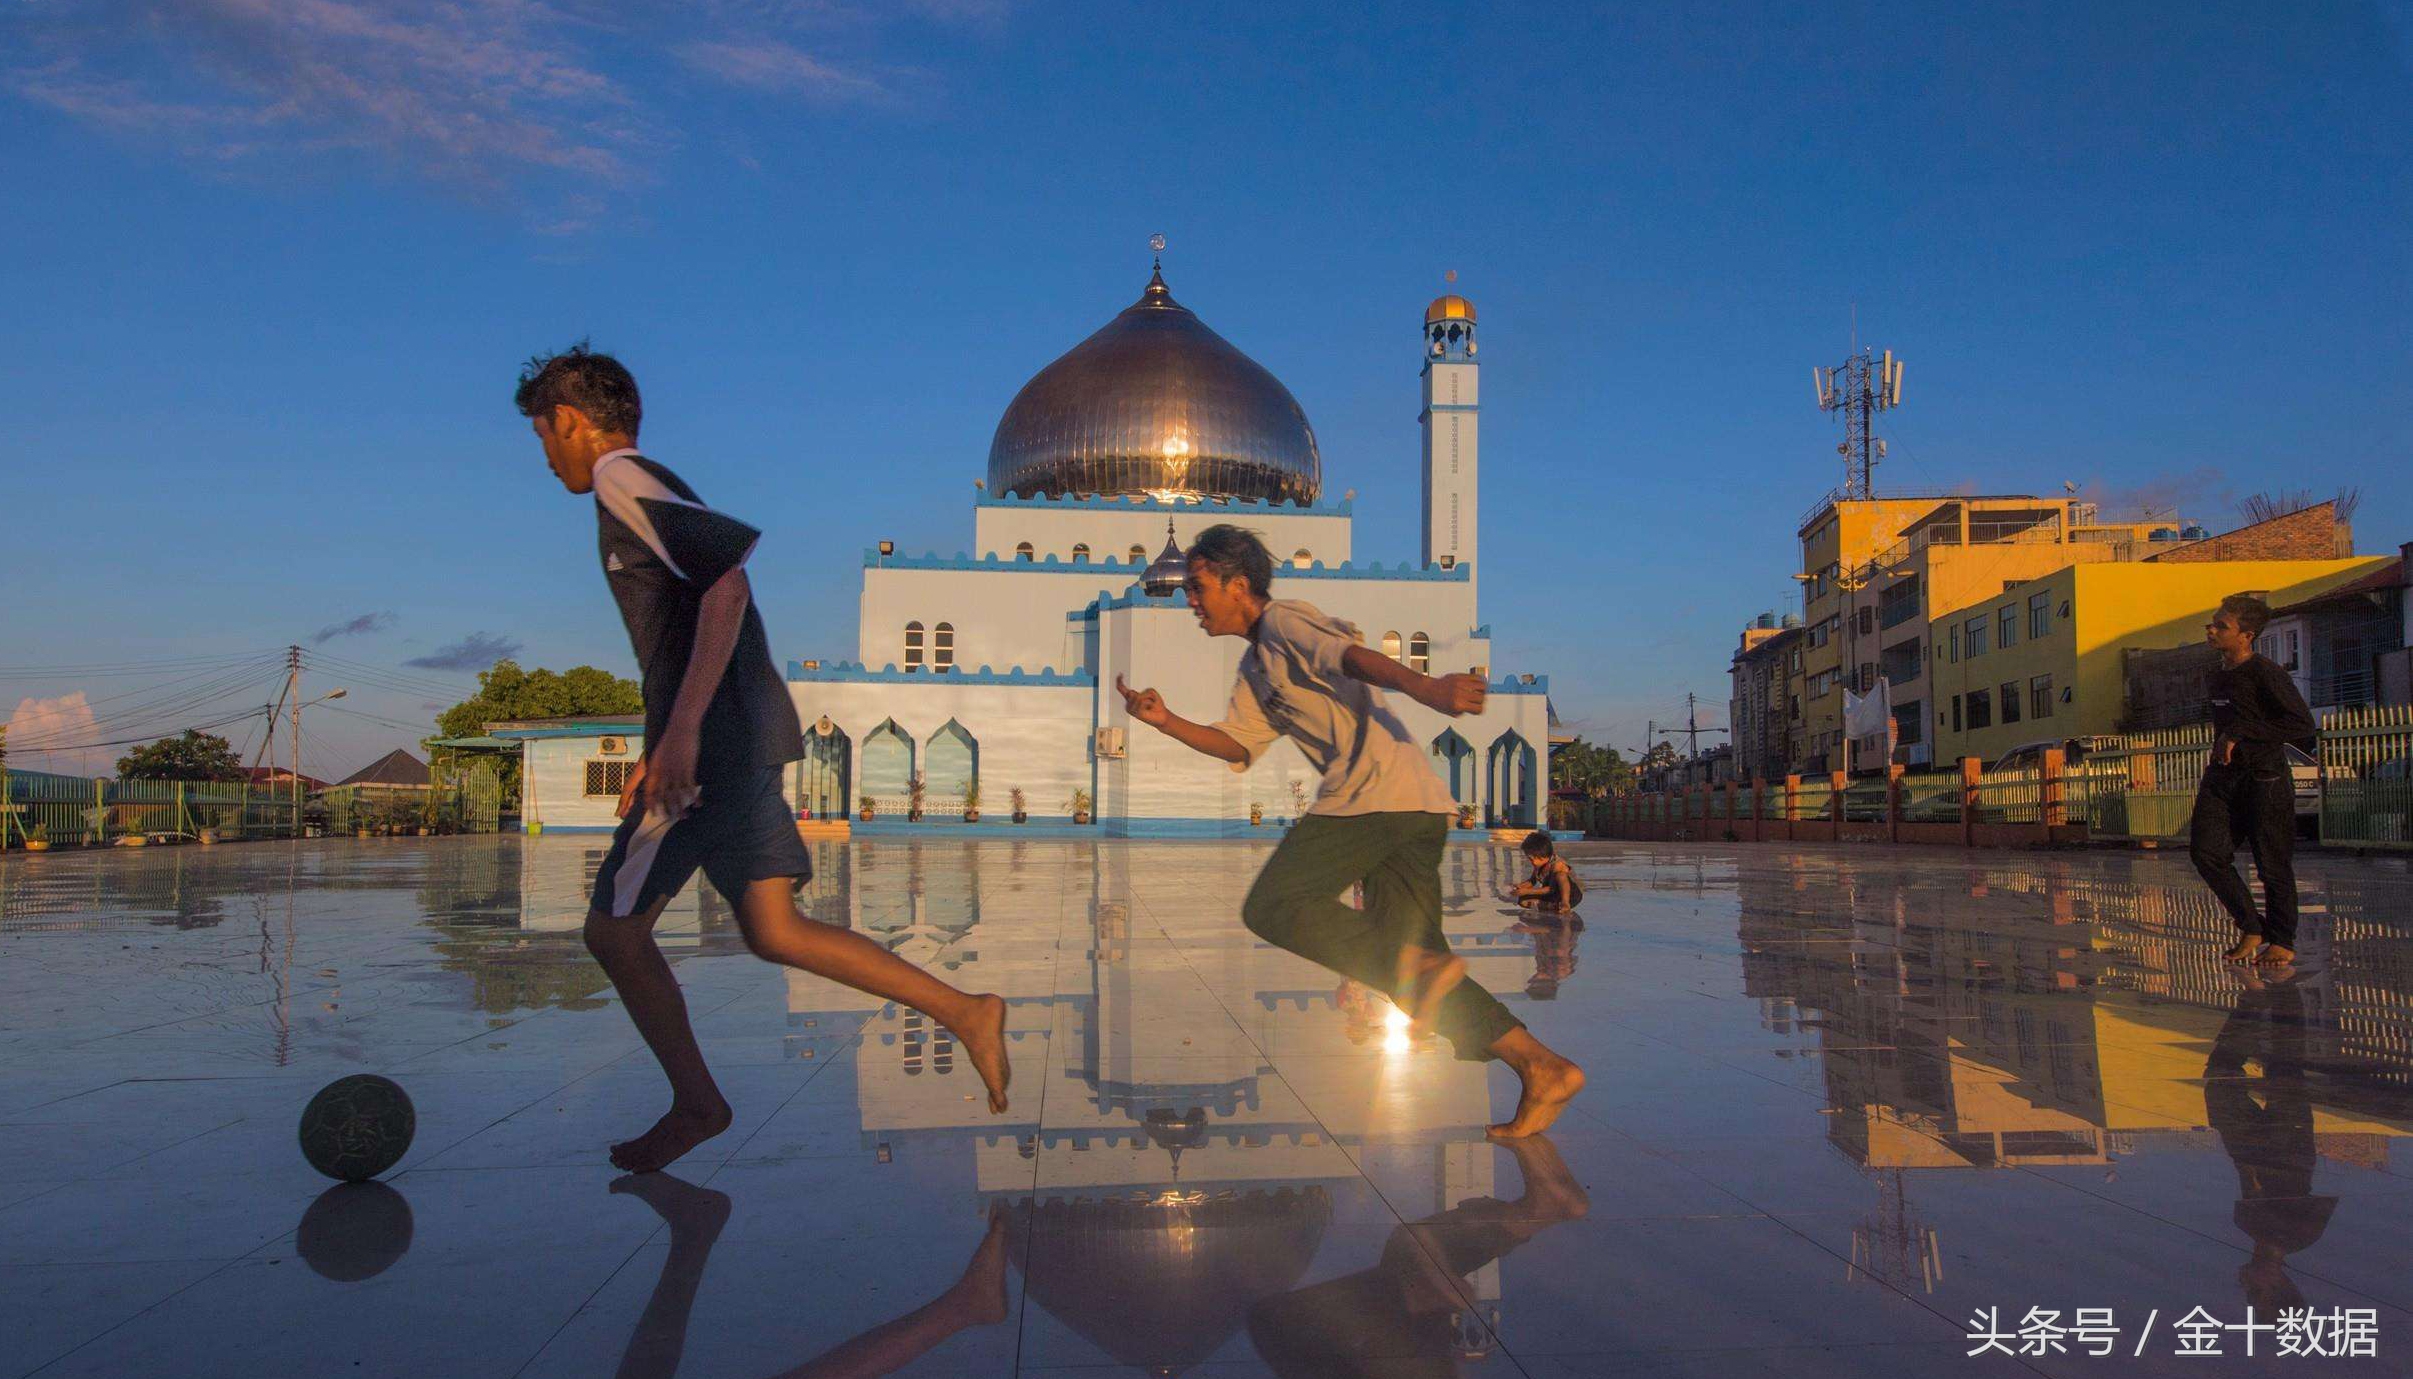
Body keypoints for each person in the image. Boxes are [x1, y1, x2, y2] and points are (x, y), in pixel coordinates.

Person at [517, 345, 1009, 1172]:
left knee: (613, 931)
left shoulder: (621, 479)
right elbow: (707, 608)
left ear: (568, 420)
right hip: (738, 738)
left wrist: (677, 737)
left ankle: (698, 1100)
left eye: (542, 435)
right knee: (774, 929)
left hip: (707, 751)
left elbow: (726, 584)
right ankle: (964, 1008)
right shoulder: (645, 485)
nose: (546, 456)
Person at [1117, 524, 1585, 1138]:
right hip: (1413, 805)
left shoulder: (1284, 621)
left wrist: (1430, 688)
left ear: (1238, 584)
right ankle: (1541, 1066)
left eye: (1199, 586)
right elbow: (1236, 742)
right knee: (1414, 974)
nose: (1191, 601)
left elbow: (1351, 658)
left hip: (1374, 799)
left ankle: (1414, 965)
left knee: (1274, 906)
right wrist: (1164, 719)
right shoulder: (1256, 666)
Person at [2189, 594, 2315, 967]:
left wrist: (2240, 732)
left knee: (2271, 863)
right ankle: (2251, 925)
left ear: (2246, 635)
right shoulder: (2216, 676)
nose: (2211, 630)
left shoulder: (2265, 673)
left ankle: (2281, 940)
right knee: (2206, 852)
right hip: (2223, 778)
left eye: (2221, 626)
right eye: (2211, 623)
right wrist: (2225, 741)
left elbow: (2301, 724)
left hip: (2265, 779)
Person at [1508, 830, 1584, 913]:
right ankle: (1553, 906)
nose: (1531, 861)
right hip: (1554, 894)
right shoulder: (1538, 865)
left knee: (1561, 875)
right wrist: (1519, 887)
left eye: (1532, 859)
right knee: (1522, 901)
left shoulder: (1557, 865)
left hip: (1571, 895)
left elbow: (1550, 889)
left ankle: (1565, 904)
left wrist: (1528, 891)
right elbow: (1532, 881)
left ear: (1541, 856)